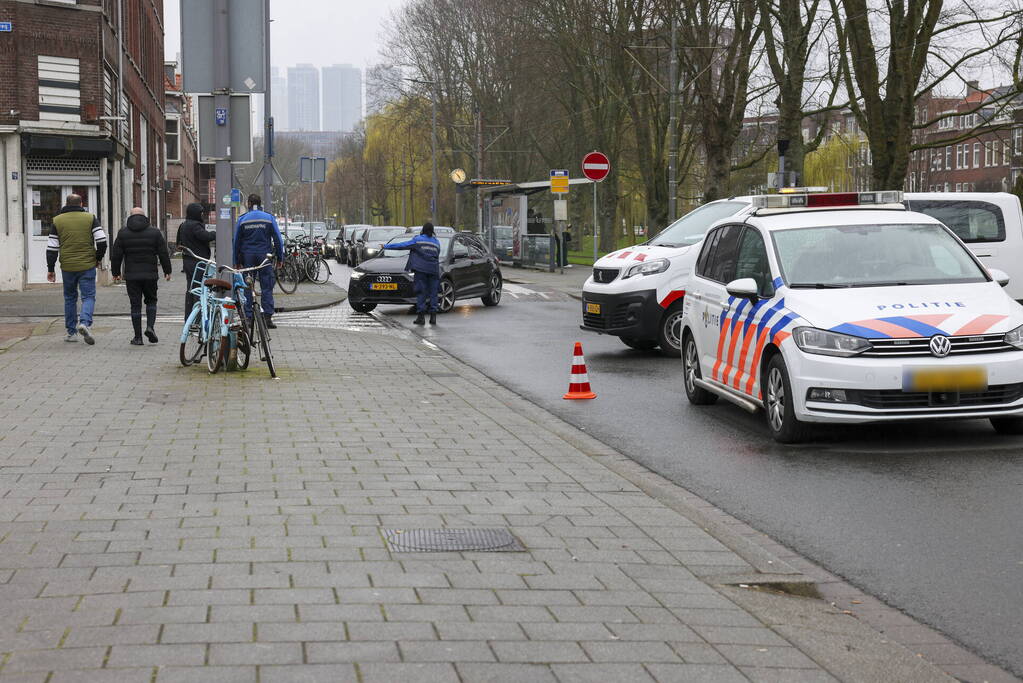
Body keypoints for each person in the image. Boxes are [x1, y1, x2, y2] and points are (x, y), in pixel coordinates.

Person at [46, 194, 107, 345]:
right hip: (87, 265)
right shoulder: (90, 218)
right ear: (81, 204)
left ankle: (71, 333)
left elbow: (52, 248)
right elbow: (102, 241)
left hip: (67, 266)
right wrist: (97, 258)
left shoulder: (57, 220)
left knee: (70, 298)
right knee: (88, 296)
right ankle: (85, 323)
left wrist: (51, 268)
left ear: (66, 204)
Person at [110, 208, 172, 345]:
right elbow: (163, 253)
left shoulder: (123, 233)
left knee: (135, 305)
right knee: (151, 301)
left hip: (132, 276)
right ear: (145, 217)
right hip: (150, 274)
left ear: (130, 217)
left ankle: (138, 337)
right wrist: (167, 270)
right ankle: (150, 327)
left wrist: (115, 273)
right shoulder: (155, 232)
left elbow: (116, 255)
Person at [233, 194, 285, 329]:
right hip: (264, 257)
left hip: (248, 256)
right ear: (260, 203)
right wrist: (280, 258)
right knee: (267, 286)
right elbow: (278, 240)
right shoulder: (269, 218)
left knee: (248, 287)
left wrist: (236, 261)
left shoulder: (242, 219)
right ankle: (267, 318)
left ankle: (248, 318)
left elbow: (236, 242)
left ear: (249, 203)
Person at [384, 222, 441, 325]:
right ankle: (433, 317)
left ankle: (421, 317)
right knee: (433, 293)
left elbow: (402, 245)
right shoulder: (436, 242)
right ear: (432, 231)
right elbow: (437, 255)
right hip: (434, 270)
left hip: (421, 270)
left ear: (423, 230)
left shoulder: (418, 240)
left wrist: (386, 246)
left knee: (421, 292)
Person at [176, 202, 215, 320]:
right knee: (198, 289)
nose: (202, 215)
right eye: (201, 213)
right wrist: (216, 233)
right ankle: (197, 317)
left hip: (187, 261)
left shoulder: (183, 225)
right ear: (195, 213)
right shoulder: (195, 225)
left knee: (191, 288)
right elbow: (205, 236)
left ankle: (189, 316)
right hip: (197, 261)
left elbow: (179, 242)